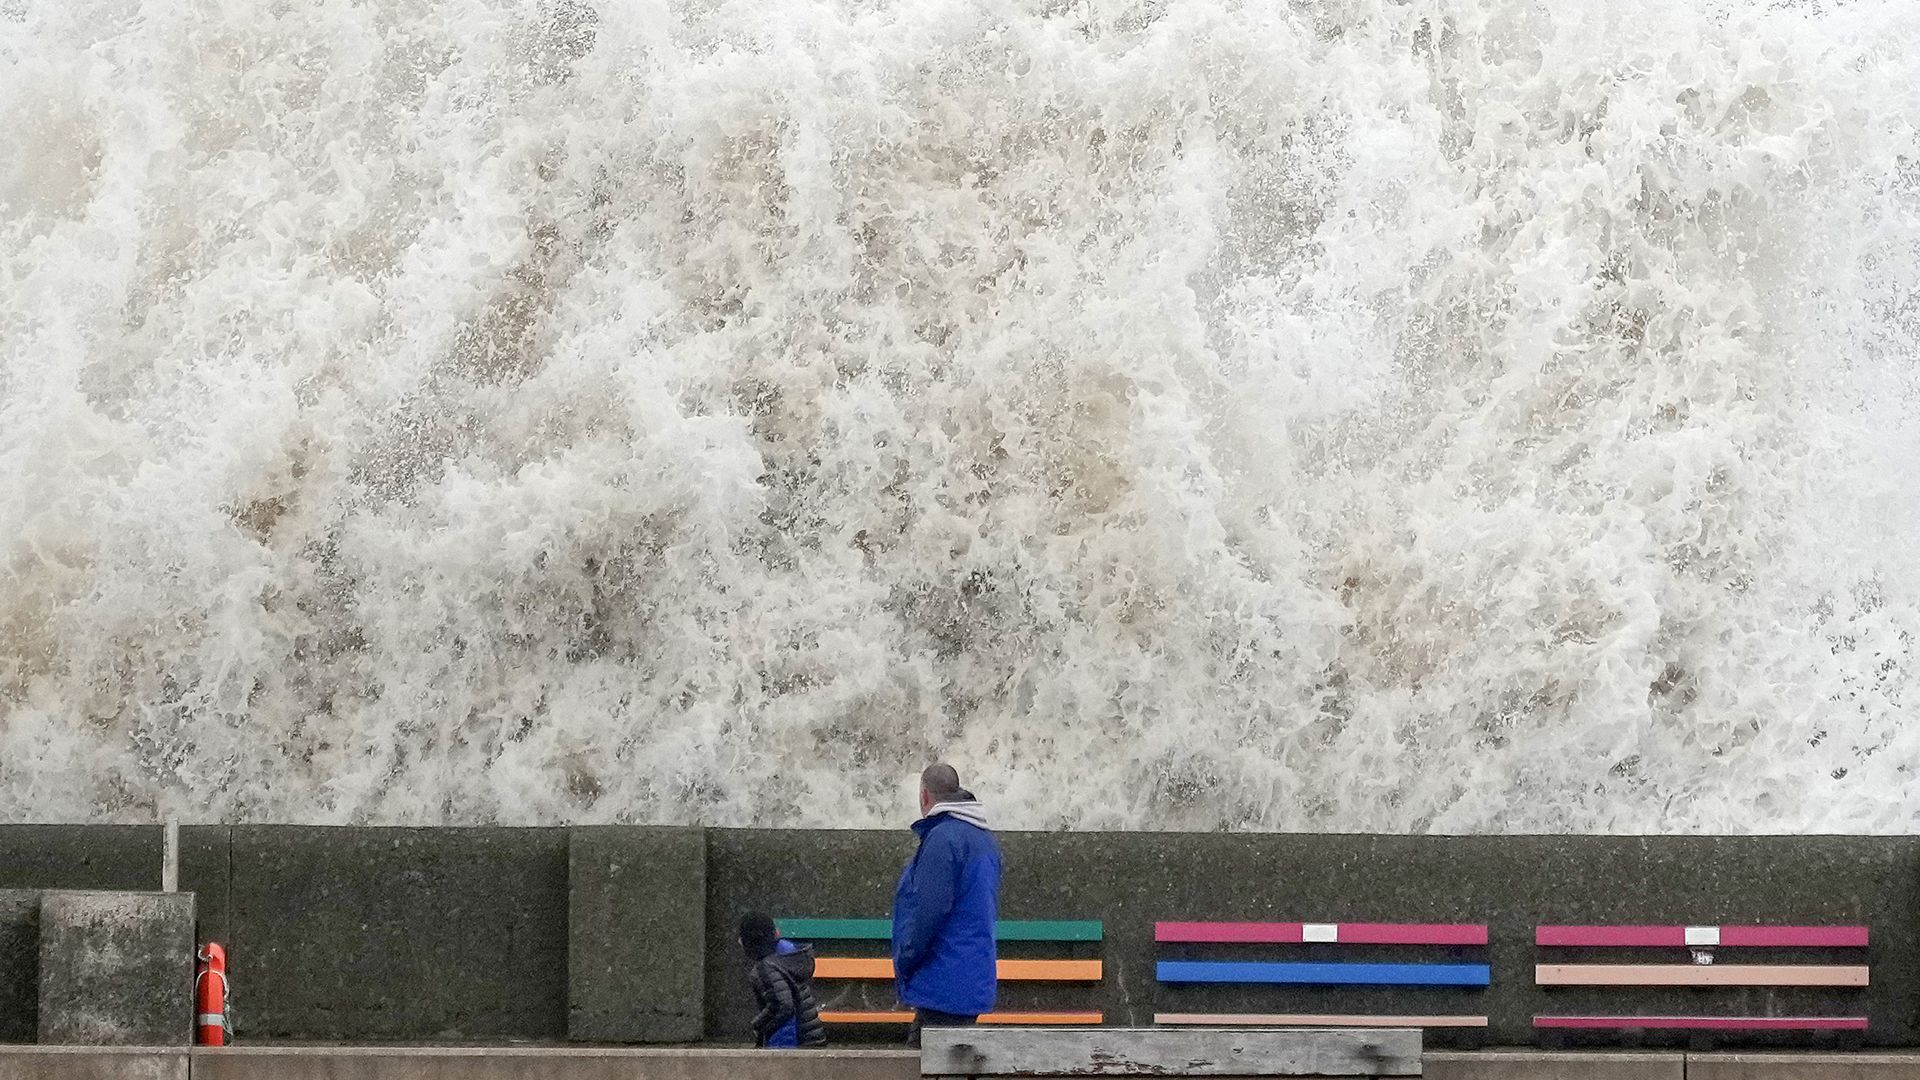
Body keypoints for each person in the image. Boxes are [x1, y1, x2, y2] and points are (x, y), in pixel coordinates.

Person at [890, 763, 1002, 1045]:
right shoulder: (983, 839)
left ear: (925, 797)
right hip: (970, 977)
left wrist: (905, 959)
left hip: (942, 980)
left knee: (920, 1065)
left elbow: (926, 911)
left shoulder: (943, 839)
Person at [739, 912, 826, 1048]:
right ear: (776, 934)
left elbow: (783, 1006)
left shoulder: (767, 968)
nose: (739, 941)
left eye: (741, 938)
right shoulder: (789, 956)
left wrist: (758, 1025)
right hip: (812, 1037)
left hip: (794, 1043)